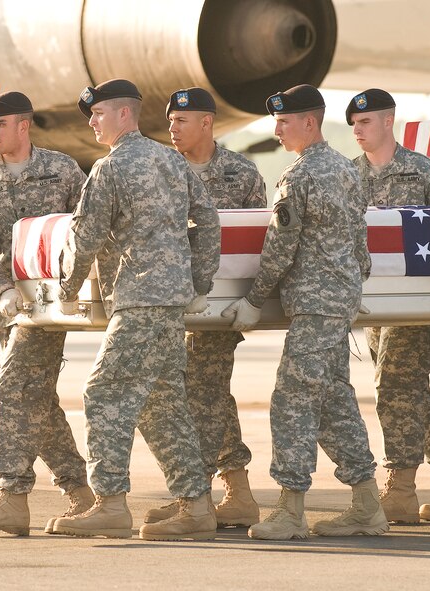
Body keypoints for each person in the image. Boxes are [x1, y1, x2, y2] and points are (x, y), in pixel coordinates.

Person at [50, 79, 222, 541]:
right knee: (162, 404)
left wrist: (66, 289)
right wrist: (199, 282)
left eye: (99, 113)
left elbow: (84, 234)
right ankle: (197, 505)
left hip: (140, 297)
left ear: (125, 115)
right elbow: (207, 219)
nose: (91, 122)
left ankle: (108, 503)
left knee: (103, 394)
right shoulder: (172, 161)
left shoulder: (111, 168)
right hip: (171, 301)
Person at [222, 84, 388, 540]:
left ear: (308, 123)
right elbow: (361, 240)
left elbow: (280, 246)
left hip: (316, 304)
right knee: (333, 400)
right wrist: (352, 286)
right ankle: (368, 505)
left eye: (283, 121)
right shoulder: (346, 170)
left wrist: (255, 300)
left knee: (292, 397)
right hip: (339, 299)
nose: (276, 130)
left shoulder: (300, 176)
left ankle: (290, 509)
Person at [0, 91, 93, 536]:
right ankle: (80, 492)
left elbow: (84, 228)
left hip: (49, 307)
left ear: (23, 125)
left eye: (0, 125)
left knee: (14, 388)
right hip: (4, 308)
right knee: (38, 400)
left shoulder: (62, 171)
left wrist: (78, 288)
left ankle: (13, 496)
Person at [346, 88, 430, 523]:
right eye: (353, 125)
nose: (358, 131)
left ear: (388, 122)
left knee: (393, 388)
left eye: (365, 123)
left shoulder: (423, 172)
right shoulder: (348, 176)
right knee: (407, 392)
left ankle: (401, 489)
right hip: (370, 306)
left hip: (414, 303)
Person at [142, 87, 266, 529]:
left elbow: (255, 240)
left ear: (206, 123)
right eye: (170, 121)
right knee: (193, 393)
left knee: (205, 388)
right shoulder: (160, 170)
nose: (172, 129)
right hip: (169, 300)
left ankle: (199, 497)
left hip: (220, 306)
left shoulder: (240, 172)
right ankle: (235, 491)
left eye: (181, 120)